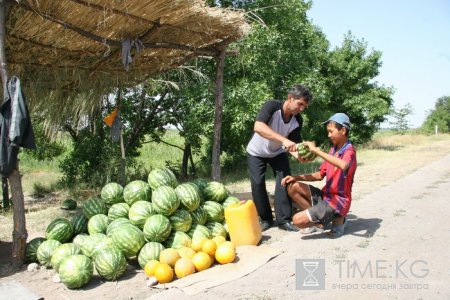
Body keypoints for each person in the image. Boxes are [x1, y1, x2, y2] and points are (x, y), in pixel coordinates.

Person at [246, 84, 313, 232]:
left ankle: (284, 220)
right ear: (290, 98)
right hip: (256, 152)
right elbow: (258, 126)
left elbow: (293, 146)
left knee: (284, 180)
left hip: (278, 153)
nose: (301, 109)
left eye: (304, 106)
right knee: (257, 183)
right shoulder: (271, 106)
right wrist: (283, 140)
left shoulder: (297, 120)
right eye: (300, 104)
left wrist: (300, 157)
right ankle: (266, 219)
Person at [281, 113, 357, 237]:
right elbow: (319, 175)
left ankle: (339, 220)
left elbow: (343, 165)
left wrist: (316, 150)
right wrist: (295, 177)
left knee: (296, 220)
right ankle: (319, 223)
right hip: (326, 196)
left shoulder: (349, 151)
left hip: (338, 202)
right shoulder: (333, 150)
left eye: (331, 131)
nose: (329, 135)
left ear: (343, 130)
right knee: (292, 186)